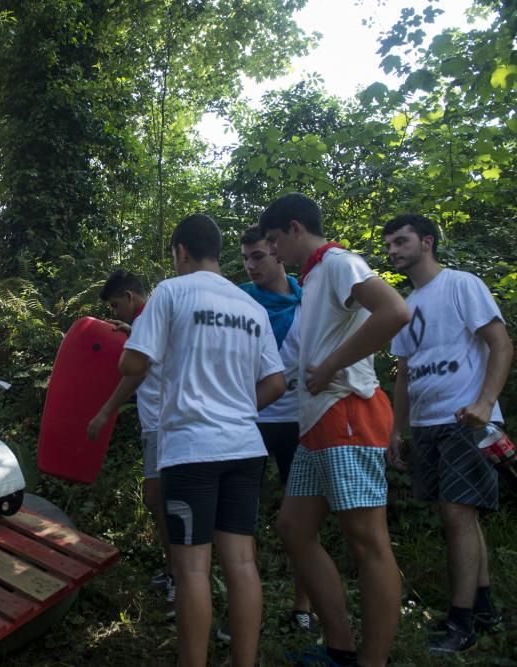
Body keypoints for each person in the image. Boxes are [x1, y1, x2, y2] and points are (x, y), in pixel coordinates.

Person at [119, 214, 285, 667]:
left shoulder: (171, 292)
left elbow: (133, 365)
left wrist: (136, 344)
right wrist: (237, 410)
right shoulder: (251, 307)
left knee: (193, 568)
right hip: (245, 448)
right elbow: (276, 382)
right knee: (242, 563)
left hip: (191, 450)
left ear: (181, 252)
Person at [260, 193, 410, 667]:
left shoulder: (340, 262)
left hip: (348, 412)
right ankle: (340, 647)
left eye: (275, 241)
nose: (274, 252)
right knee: (293, 527)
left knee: (367, 541)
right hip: (317, 423)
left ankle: (373, 660)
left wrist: (329, 366)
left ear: (295, 228)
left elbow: (395, 311)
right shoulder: (314, 278)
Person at [383, 214, 512, 654]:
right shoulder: (404, 302)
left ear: (427, 241)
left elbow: (500, 343)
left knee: (457, 515)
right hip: (426, 423)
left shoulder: (461, 284)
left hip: (466, 420)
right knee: (459, 516)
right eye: (388, 245)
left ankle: (461, 625)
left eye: (401, 241)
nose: (393, 251)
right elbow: (402, 375)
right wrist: (396, 429)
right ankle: (483, 608)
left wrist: (484, 403)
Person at [237, 225, 314, 632]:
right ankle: (243, 610)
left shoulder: (310, 296)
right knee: (237, 518)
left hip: (298, 421)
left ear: (279, 253)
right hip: (248, 420)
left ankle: (302, 607)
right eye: (245, 258)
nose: (250, 266)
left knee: (301, 521)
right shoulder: (239, 300)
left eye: (259, 257)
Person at [86, 270, 173, 614]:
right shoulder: (147, 321)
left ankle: (180, 578)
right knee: (161, 502)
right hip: (158, 423)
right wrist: (132, 331)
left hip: (163, 423)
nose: (115, 313)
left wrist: (105, 412)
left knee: (160, 501)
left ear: (130, 297)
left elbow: (136, 371)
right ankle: (173, 570)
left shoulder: (151, 318)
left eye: (115, 305)